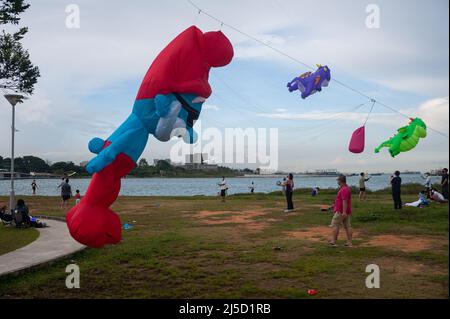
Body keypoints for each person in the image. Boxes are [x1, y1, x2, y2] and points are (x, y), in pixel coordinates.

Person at [329, 175, 352, 247]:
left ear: (340, 180)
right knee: (347, 226)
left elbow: (344, 201)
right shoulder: (346, 188)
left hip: (341, 211)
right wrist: (334, 205)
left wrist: (344, 212)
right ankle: (349, 242)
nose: (337, 181)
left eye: (337, 180)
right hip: (345, 211)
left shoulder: (344, 189)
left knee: (335, 225)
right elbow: (342, 200)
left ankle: (334, 241)